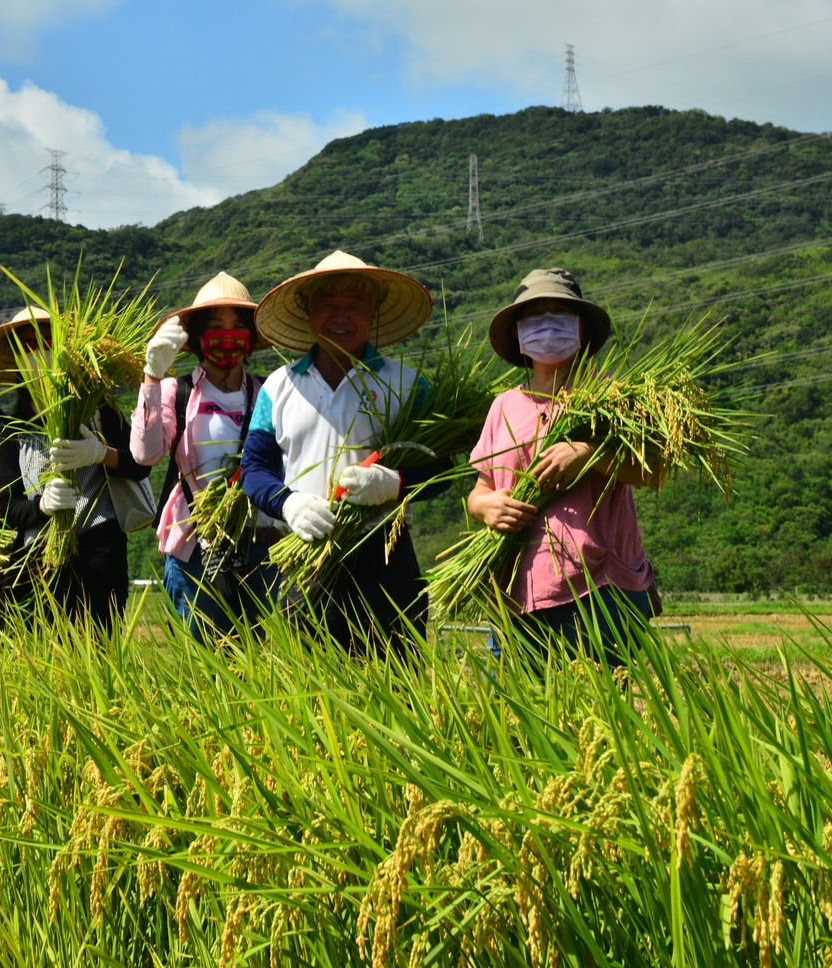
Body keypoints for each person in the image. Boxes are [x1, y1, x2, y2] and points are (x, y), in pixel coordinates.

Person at [241, 250, 435, 656]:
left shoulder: (406, 385)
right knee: (308, 696)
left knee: (396, 688)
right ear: (308, 312)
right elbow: (254, 468)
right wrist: (288, 504)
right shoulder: (278, 387)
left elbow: (440, 469)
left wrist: (395, 484)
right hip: (304, 557)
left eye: (354, 305)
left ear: (375, 311)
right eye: (328, 305)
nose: (340, 316)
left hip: (385, 556)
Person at [466, 268, 658, 666]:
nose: (547, 327)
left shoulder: (610, 395)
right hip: (515, 591)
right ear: (518, 333)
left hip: (598, 589)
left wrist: (589, 455)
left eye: (560, 315)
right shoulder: (504, 406)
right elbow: (480, 490)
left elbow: (654, 471)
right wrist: (487, 507)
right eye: (535, 316)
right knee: (518, 721)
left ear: (582, 330)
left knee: (599, 717)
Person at [0, 309, 152, 629]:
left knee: (101, 646)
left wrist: (99, 453)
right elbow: (8, 506)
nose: (38, 353)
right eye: (26, 348)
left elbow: (139, 465)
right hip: (38, 558)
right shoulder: (11, 431)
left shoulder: (95, 407)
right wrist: (42, 506)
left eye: (46, 342)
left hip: (100, 547)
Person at [131, 272, 280, 638]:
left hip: (260, 544)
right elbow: (145, 454)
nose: (227, 336)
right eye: (216, 326)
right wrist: (151, 378)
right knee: (207, 660)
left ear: (249, 337)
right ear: (197, 338)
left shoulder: (269, 391)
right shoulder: (175, 392)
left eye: (236, 326)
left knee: (264, 657)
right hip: (196, 544)